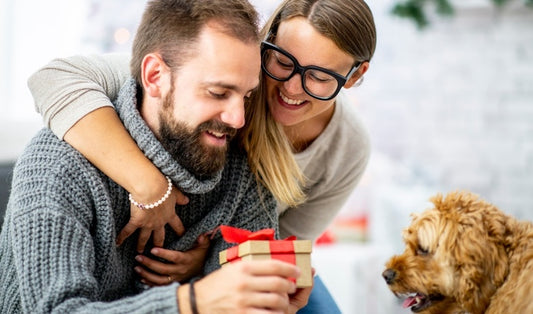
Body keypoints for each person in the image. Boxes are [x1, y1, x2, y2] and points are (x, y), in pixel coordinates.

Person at [28, 0, 377, 312]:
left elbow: (277, 244)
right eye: (282, 61)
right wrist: (149, 185)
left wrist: (212, 265)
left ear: (354, 76)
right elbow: (55, 78)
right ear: (265, 47)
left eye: (319, 77)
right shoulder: (205, 67)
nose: (291, 87)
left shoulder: (343, 148)